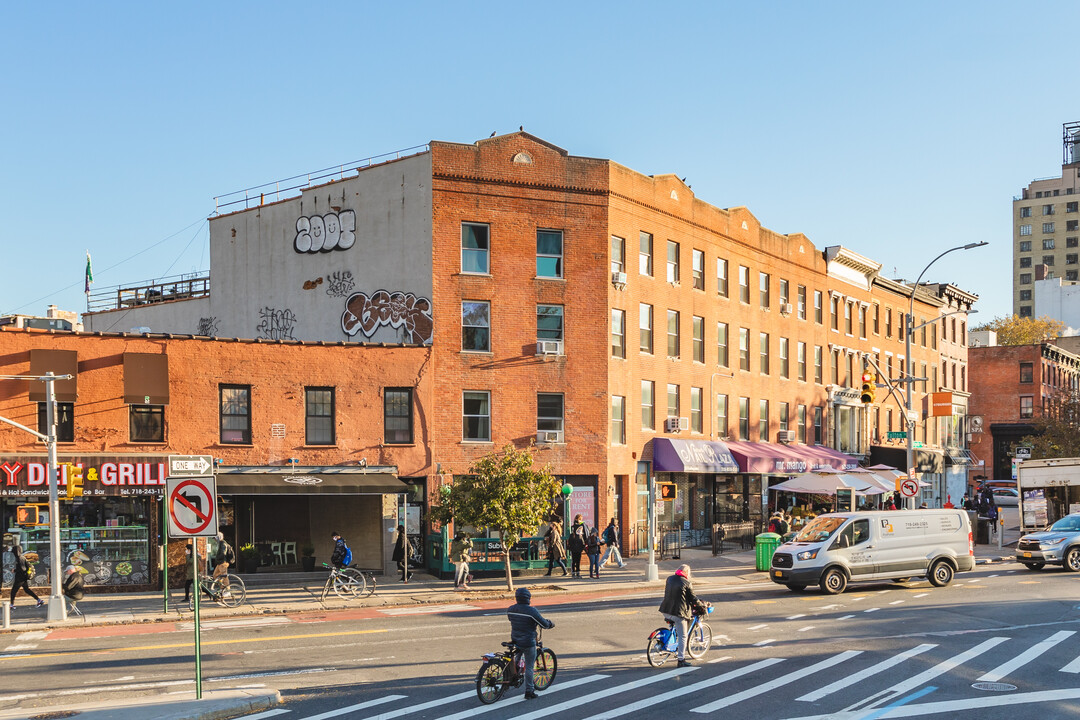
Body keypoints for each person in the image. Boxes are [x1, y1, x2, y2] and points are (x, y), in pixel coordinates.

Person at [506, 587, 554, 700]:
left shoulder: (511, 609)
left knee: (517, 655)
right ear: (528, 598)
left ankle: (514, 675)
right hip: (528, 641)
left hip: (515, 638)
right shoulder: (531, 611)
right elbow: (543, 624)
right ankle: (529, 691)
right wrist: (550, 624)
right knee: (529, 666)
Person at [658, 564, 701, 667]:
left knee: (675, 626)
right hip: (678, 612)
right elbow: (693, 598)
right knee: (683, 636)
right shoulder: (686, 582)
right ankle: (681, 660)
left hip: (666, 610)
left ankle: (671, 642)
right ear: (686, 573)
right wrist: (700, 604)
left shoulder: (670, 579)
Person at [10, 545, 42, 609]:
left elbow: (23, 569)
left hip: (20, 578)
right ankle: (39, 600)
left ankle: (11, 604)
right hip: (23, 577)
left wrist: (15, 570)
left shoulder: (19, 558)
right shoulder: (22, 557)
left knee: (13, 591)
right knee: (27, 590)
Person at [568, 514, 587, 578]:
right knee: (574, 560)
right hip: (574, 547)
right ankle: (574, 572)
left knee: (578, 560)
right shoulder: (573, 529)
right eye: (580, 519)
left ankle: (577, 572)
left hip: (578, 547)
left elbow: (584, 535)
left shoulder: (581, 531)